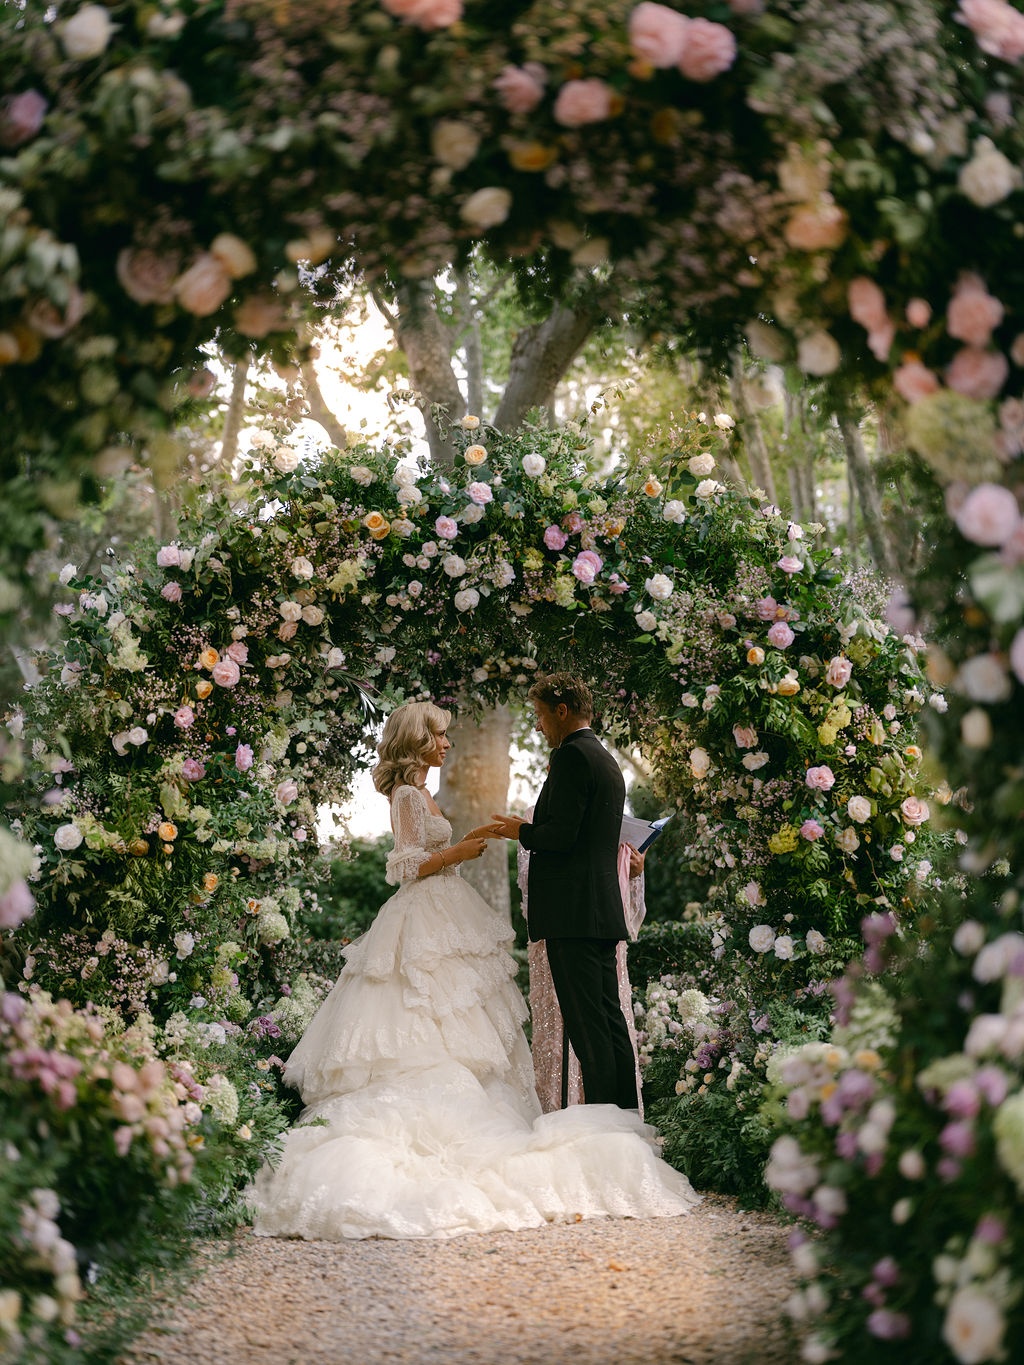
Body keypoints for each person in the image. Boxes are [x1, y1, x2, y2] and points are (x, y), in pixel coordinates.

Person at [250, 700, 698, 1241]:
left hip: (448, 911)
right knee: (424, 1010)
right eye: (438, 737)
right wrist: (460, 851)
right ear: (415, 742)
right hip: (422, 918)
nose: (446, 745)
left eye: (446, 736)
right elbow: (405, 866)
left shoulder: (429, 795)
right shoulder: (409, 796)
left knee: (465, 1015)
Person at [491, 673, 639, 1111]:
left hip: (574, 913)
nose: (538, 725)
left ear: (561, 710)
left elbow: (561, 836)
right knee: (608, 1021)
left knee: (587, 1026)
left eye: (540, 715)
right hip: (598, 911)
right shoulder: (605, 758)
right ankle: (625, 1117)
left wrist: (522, 830)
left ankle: (603, 1122)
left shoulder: (573, 757)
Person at [518, 819, 648, 1116]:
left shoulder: (611, 815)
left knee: (607, 1022)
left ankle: (610, 1113)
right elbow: (530, 885)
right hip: (559, 930)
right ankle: (562, 1110)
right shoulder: (531, 819)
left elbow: (626, 882)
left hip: (604, 930)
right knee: (565, 1022)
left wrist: (636, 870)